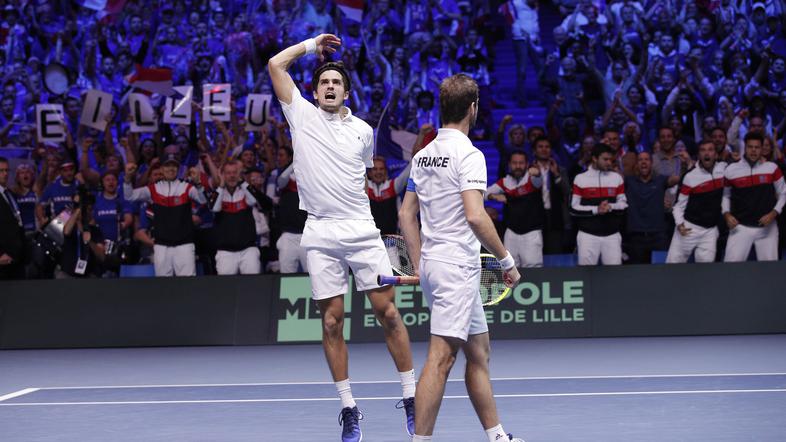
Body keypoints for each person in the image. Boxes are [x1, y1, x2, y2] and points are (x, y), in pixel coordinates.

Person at [268, 34, 415, 441]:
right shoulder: (301, 115)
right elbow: (276, 65)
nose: (330, 87)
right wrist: (311, 44)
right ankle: (349, 408)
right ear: (315, 92)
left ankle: (410, 396)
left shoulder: (364, 131)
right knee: (332, 322)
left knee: (388, 314)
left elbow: (359, 174)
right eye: (324, 83)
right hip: (320, 231)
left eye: (336, 83)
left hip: (361, 230)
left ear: (346, 92)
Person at [398, 73, 524, 442]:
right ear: (473, 108)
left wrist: (420, 264)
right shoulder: (470, 155)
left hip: (438, 266)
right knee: (441, 358)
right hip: (456, 269)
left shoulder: (422, 156)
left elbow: (406, 215)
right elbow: (475, 216)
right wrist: (506, 261)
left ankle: (497, 436)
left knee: (479, 352)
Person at [123, 154, 208, 276]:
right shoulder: (153, 189)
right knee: (163, 284)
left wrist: (198, 183)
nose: (171, 169)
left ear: (178, 169)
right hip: (161, 246)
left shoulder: (186, 187)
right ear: (162, 169)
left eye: (174, 166)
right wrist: (127, 178)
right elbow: (129, 196)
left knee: (187, 284)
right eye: (167, 165)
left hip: (184, 245)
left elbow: (203, 200)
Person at [722, 132, 786, 262]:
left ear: (762, 149)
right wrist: (726, 214)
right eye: (750, 147)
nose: (753, 150)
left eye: (757, 147)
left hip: (768, 229)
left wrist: (774, 213)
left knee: (769, 270)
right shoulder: (731, 170)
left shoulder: (772, 168)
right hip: (740, 227)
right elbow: (726, 196)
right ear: (745, 148)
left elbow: (783, 193)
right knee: (730, 269)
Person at [666, 141, 726, 263]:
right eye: (703, 150)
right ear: (699, 155)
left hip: (710, 231)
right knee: (672, 267)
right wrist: (680, 224)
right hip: (689, 228)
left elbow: (741, 169)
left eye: (710, 150)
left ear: (716, 154)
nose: (706, 153)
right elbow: (678, 206)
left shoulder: (724, 169)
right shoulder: (690, 176)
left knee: (705, 271)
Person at [571, 143, 628, 265]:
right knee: (585, 273)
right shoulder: (580, 179)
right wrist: (597, 209)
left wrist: (611, 206)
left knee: (615, 273)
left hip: (612, 235)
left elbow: (623, 204)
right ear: (594, 158)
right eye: (605, 159)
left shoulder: (617, 178)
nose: (609, 163)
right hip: (587, 235)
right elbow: (573, 208)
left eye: (611, 160)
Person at [486, 150, 545, 267]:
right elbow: (484, 193)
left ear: (527, 164)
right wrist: (494, 196)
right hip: (511, 233)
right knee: (509, 269)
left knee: (534, 270)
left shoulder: (532, 179)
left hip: (531, 233)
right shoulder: (505, 182)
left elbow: (539, 180)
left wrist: (538, 173)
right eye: (514, 163)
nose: (518, 166)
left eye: (521, 163)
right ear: (509, 164)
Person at [623, 152, 680, 264]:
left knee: (661, 271)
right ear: (636, 164)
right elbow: (615, 177)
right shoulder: (629, 181)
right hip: (636, 236)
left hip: (658, 235)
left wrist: (684, 164)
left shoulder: (660, 180)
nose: (643, 162)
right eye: (640, 160)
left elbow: (676, 179)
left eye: (646, 159)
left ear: (652, 163)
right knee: (637, 271)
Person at [212, 160, 261, 275]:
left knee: (253, 283)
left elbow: (253, 201)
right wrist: (221, 185)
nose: (232, 176)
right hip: (225, 251)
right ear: (223, 175)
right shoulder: (218, 193)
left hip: (248, 249)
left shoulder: (244, 191)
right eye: (228, 173)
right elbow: (215, 208)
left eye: (234, 172)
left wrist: (242, 181)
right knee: (226, 285)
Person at [0, 156, 25, 279]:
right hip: (3, 258)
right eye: (1, 171)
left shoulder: (10, 194)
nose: (5, 174)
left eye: (6, 170)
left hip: (17, 257)